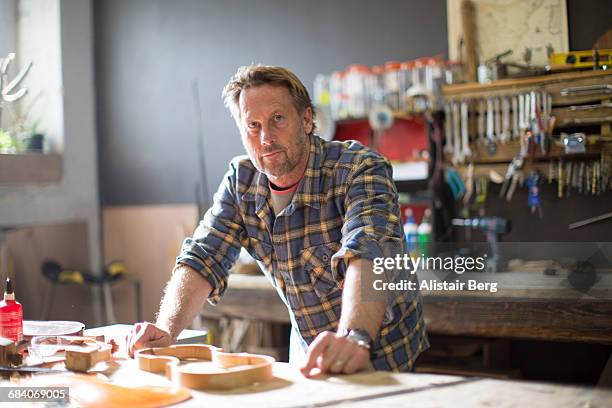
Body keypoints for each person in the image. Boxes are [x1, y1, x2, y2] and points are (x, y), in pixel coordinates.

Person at [126, 65, 429, 375]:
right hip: (310, 352)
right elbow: (203, 256)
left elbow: (369, 249)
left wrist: (355, 337)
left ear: (308, 119)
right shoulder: (240, 181)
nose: (266, 138)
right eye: (253, 126)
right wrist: (165, 330)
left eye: (278, 119)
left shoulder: (358, 168)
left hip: (383, 353)